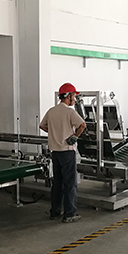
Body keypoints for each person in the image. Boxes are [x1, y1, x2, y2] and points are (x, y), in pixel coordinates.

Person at [39, 83, 87, 223]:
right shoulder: (70, 112)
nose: (75, 99)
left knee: (57, 183)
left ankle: (55, 211)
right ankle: (70, 214)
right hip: (67, 152)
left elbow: (42, 125)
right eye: (74, 96)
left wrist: (55, 132)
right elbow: (83, 125)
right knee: (70, 183)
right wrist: (75, 136)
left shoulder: (51, 111)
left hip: (55, 152)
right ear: (68, 96)